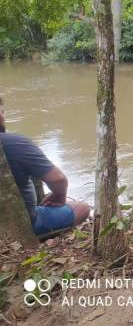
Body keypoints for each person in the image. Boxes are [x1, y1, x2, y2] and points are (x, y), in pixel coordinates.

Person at [0, 98, 91, 237]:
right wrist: (59, 196)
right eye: (2, 112)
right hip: (21, 222)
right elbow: (58, 179)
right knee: (82, 208)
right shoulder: (15, 143)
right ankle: (36, 235)